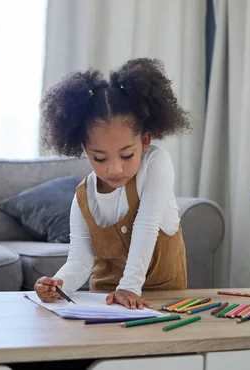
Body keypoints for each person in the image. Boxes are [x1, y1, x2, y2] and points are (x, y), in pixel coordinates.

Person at [35, 58, 191, 309]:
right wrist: (58, 284)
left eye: (127, 155)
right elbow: (80, 260)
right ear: (85, 149)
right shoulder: (83, 196)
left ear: (145, 141)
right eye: (99, 158)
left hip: (163, 298)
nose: (115, 168)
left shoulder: (156, 163)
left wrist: (129, 286)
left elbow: (147, 224)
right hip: (104, 301)